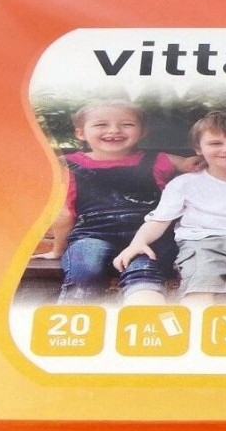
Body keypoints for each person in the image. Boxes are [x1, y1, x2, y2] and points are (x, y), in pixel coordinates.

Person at [113, 109, 226, 305]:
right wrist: (138, 242)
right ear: (198, 149)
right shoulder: (185, 183)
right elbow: (159, 220)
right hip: (202, 242)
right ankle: (195, 322)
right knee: (200, 286)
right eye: (215, 143)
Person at [36, 101, 191, 301]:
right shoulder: (67, 166)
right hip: (92, 236)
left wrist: (197, 162)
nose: (114, 130)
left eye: (127, 124)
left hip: (149, 238)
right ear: (80, 133)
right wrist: (59, 250)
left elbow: (194, 164)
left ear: (143, 132)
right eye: (101, 124)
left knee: (143, 268)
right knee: (86, 267)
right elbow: (63, 213)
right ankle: (80, 309)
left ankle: (143, 305)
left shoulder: (158, 160)